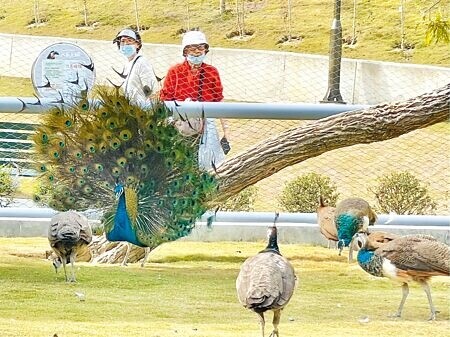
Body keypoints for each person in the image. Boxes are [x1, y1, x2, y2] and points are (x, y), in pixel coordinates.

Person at [160, 30, 230, 171]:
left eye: (201, 48)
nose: (197, 52)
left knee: (207, 166)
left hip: (205, 128)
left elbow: (218, 101)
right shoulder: (175, 72)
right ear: (185, 51)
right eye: (193, 48)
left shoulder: (211, 72)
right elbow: (164, 100)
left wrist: (226, 132)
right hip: (179, 128)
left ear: (206, 50)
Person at [113, 28, 158, 104]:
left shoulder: (142, 62)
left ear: (137, 45)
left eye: (129, 41)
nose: (126, 44)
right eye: (123, 41)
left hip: (142, 110)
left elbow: (152, 92)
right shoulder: (127, 64)